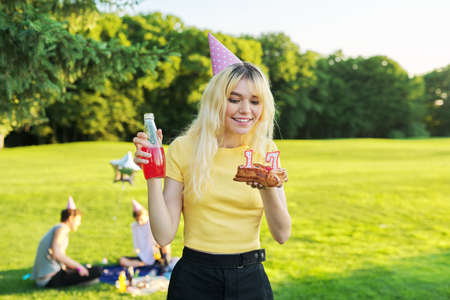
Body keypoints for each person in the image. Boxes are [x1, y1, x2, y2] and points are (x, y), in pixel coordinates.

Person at [133, 33, 291, 300]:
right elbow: (163, 235)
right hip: (195, 280)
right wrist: (153, 174)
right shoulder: (184, 148)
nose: (246, 110)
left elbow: (282, 233)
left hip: (250, 279)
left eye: (255, 101)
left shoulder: (266, 152)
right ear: (217, 101)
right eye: (234, 99)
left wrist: (266, 186)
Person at [31, 196, 102, 288]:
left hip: (46, 277)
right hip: (50, 280)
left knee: (86, 269)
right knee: (97, 270)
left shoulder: (57, 228)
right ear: (70, 218)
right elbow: (57, 254)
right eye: (78, 220)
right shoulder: (62, 229)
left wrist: (76, 267)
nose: (79, 223)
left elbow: (59, 257)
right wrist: (79, 267)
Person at [119, 199, 171, 273]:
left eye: (141, 219)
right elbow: (138, 247)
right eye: (137, 220)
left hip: (157, 252)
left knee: (164, 244)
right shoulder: (135, 226)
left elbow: (163, 238)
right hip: (144, 256)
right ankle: (144, 264)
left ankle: (164, 263)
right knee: (122, 260)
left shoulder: (153, 222)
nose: (139, 222)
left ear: (146, 214)